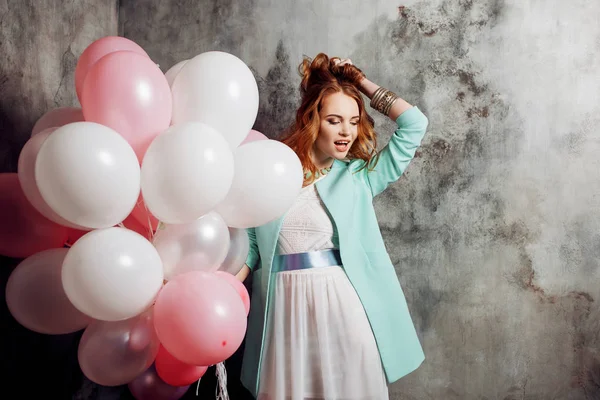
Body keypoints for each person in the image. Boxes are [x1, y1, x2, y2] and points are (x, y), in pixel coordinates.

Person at [236, 53, 429, 400]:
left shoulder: (360, 177)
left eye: (354, 121)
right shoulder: (272, 173)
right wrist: (223, 290)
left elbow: (415, 124)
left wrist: (360, 81)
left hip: (342, 306)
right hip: (281, 310)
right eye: (335, 120)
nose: (346, 132)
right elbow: (251, 247)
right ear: (312, 119)